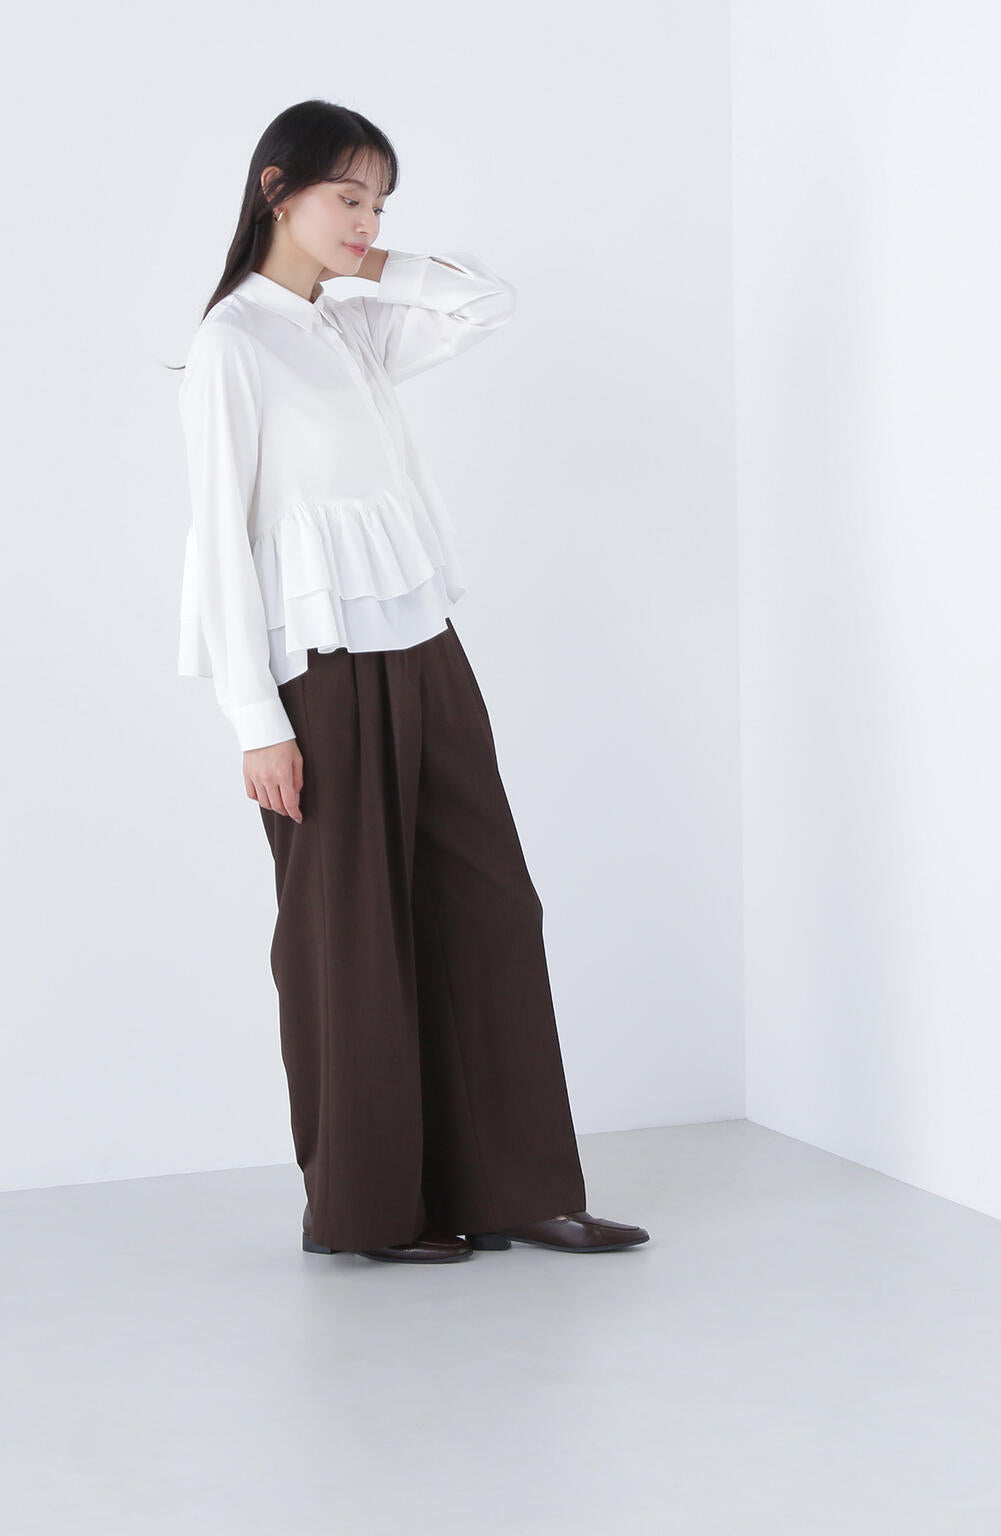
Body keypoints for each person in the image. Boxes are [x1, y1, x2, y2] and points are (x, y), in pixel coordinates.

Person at [175, 98, 648, 1263]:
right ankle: (373, 1209)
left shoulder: (344, 325)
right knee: (351, 936)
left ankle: (516, 1187)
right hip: (316, 669)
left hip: (420, 640)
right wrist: (254, 720)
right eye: (347, 196)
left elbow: (483, 301)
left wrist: (368, 261)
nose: (366, 221)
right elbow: (217, 537)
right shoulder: (234, 343)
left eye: (380, 203)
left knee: (488, 902)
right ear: (275, 188)